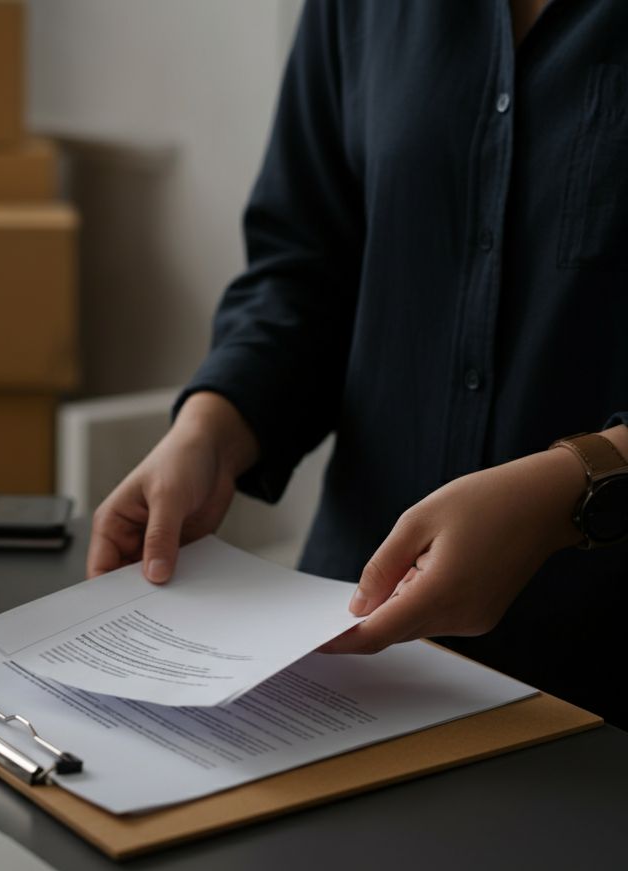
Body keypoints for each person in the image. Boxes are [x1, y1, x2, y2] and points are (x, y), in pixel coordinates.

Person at [87, 0, 628, 727]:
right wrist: (212, 427)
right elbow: (306, 265)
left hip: (596, 686)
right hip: (344, 669)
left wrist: (570, 490)